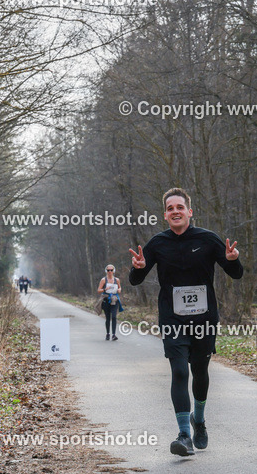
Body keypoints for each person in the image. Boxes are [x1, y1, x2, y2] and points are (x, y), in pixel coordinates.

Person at [129, 188, 243, 456]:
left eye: (180, 207)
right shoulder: (157, 243)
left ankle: (198, 420)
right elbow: (135, 280)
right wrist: (137, 268)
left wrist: (233, 261)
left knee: (200, 371)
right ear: (165, 215)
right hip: (172, 319)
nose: (175, 212)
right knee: (179, 371)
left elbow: (236, 274)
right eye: (170, 208)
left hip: (204, 319)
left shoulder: (207, 239)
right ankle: (183, 435)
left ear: (189, 212)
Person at [98, 265, 122, 341]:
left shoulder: (117, 280)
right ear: (106, 271)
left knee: (114, 317)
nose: (110, 272)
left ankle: (114, 335)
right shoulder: (103, 280)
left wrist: (119, 290)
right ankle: (108, 333)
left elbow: (119, 287)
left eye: (111, 270)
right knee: (108, 318)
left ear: (113, 271)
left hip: (114, 300)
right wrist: (105, 289)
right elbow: (99, 290)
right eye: (108, 270)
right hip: (106, 300)